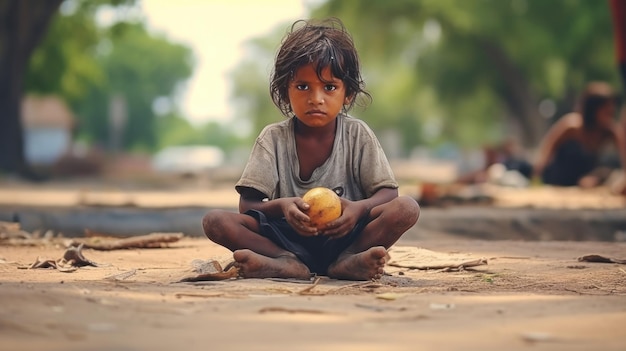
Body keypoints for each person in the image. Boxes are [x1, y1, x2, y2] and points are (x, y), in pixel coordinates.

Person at [202, 18, 420, 281]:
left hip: (347, 236)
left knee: (407, 208)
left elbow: (388, 193)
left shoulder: (357, 134)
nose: (316, 98)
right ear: (286, 91)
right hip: (287, 240)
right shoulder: (272, 138)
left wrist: (358, 209)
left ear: (347, 94)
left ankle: (348, 260)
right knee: (215, 221)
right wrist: (282, 206)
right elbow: (247, 205)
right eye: (303, 86)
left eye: (329, 87)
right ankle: (286, 263)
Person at [533, 81, 626, 193]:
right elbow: (547, 150)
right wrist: (536, 177)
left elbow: (623, 156)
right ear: (593, 110)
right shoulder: (572, 126)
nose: (611, 112)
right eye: (606, 110)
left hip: (585, 181)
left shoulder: (610, 131)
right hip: (558, 179)